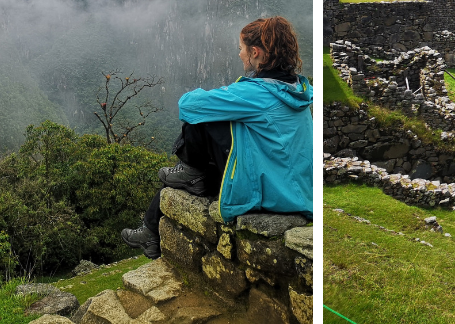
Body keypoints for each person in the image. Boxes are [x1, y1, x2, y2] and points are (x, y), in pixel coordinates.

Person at [121, 17, 313, 259]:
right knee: (185, 181)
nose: (240, 54)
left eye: (241, 49)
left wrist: (217, 98)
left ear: (255, 52)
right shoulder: (296, 88)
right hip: (293, 184)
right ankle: (154, 227)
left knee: (203, 117)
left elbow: (188, 106)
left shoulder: (257, 94)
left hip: (276, 191)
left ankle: (190, 172)